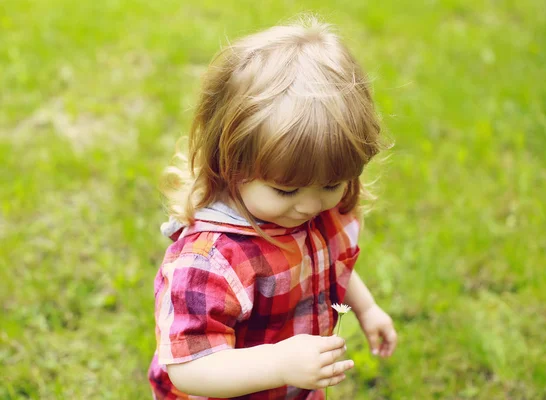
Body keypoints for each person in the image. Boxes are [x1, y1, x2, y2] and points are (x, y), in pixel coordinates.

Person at [148, 15, 398, 400]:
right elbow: (188, 367)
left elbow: (329, 264)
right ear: (230, 165)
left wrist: (366, 308)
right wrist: (279, 364)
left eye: (331, 185)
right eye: (287, 190)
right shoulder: (210, 261)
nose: (310, 205)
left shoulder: (311, 212)